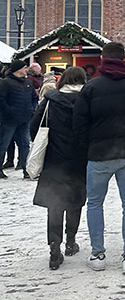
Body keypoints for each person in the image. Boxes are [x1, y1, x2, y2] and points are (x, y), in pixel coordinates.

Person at [73, 42, 125, 273]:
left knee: (95, 204)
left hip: (99, 154)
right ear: (124, 59)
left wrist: (89, 144)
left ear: (102, 58)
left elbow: (78, 122)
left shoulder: (91, 87)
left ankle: (97, 253)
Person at [30, 67, 88, 270]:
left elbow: (34, 125)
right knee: (75, 201)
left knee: (55, 203)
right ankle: (71, 241)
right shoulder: (87, 99)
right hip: (80, 159)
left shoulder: (50, 100)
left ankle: (54, 246)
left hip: (54, 159)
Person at [0, 59, 37, 180]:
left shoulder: (28, 83)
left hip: (25, 119)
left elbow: (33, 98)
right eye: (24, 67)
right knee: (3, 145)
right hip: (9, 120)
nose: (26, 69)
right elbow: (1, 100)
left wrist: (32, 109)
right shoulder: (5, 83)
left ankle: (26, 170)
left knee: (25, 145)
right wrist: (10, 113)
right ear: (18, 69)